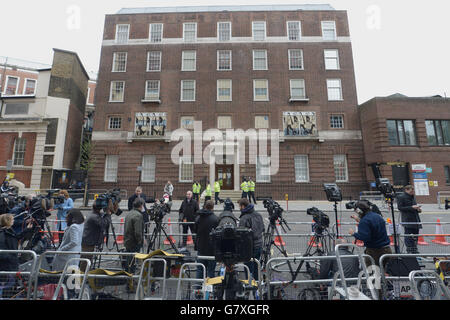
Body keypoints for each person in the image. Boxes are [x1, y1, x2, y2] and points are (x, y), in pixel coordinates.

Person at [348, 200, 392, 267]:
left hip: (374, 251)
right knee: (386, 272)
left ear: (359, 211)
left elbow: (365, 237)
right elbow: (372, 226)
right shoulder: (378, 216)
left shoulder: (365, 221)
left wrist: (353, 233)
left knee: (373, 274)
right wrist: (360, 220)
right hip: (386, 249)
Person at [238, 198, 264, 281]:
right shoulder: (258, 215)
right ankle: (256, 285)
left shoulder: (244, 218)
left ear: (243, 206)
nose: (239, 208)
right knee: (256, 266)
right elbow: (262, 228)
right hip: (259, 244)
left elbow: (241, 234)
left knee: (248, 267)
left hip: (249, 247)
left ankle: (248, 285)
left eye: (239, 206)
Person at [80, 203, 111, 271]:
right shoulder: (94, 216)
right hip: (88, 242)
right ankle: (82, 277)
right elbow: (104, 224)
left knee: (87, 260)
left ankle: (85, 275)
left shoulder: (94, 215)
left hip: (89, 241)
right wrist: (108, 214)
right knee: (86, 261)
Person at [195, 200, 219, 279]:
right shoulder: (215, 219)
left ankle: (197, 289)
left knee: (200, 269)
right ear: (213, 207)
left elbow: (195, 230)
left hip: (201, 247)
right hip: (211, 249)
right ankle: (209, 289)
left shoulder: (198, 218)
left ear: (205, 206)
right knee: (210, 270)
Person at [397, 185, 422, 254]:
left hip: (416, 219)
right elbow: (400, 208)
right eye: (411, 190)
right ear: (406, 190)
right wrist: (412, 207)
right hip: (408, 220)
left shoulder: (412, 197)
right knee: (408, 235)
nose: (413, 191)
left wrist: (418, 209)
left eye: (413, 190)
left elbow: (414, 206)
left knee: (415, 235)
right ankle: (410, 250)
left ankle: (414, 249)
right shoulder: (401, 197)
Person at [123, 198, 145, 273]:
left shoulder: (130, 213)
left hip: (127, 240)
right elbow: (138, 232)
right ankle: (130, 278)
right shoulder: (138, 216)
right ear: (141, 205)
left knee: (129, 260)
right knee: (133, 261)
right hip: (134, 242)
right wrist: (140, 241)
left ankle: (128, 275)